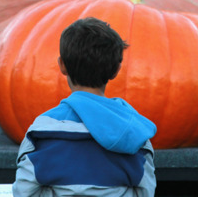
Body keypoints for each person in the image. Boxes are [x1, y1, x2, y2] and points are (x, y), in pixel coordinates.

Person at [12, 17, 157, 196]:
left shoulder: (42, 130)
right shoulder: (135, 132)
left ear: (62, 65)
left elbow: (24, 191)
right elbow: (145, 191)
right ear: (116, 70)